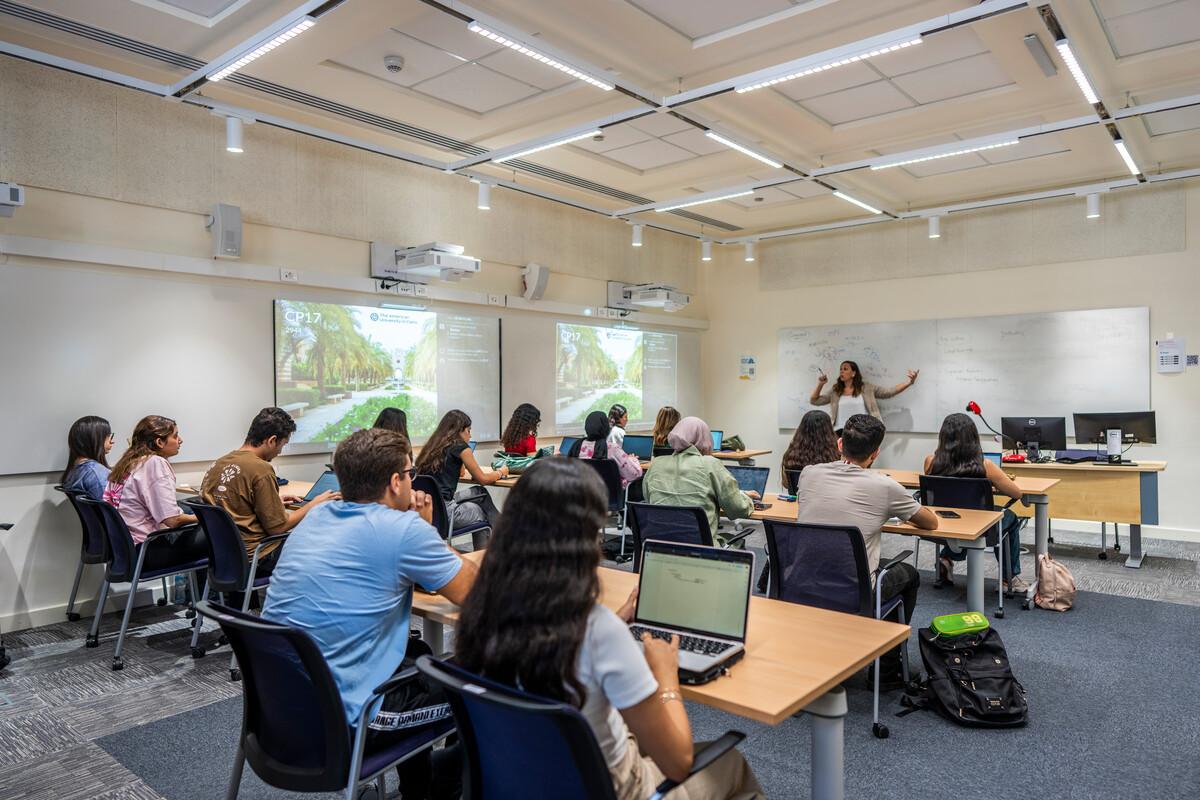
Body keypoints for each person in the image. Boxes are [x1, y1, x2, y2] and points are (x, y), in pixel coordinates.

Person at [455, 458, 764, 800]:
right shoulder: (598, 631)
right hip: (615, 789)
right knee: (732, 765)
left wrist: (615, 621)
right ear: (585, 542)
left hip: (523, 780)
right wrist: (665, 677)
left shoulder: (483, 610)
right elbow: (678, 763)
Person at [263, 427, 474, 800]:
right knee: (483, 688)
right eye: (409, 474)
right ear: (395, 482)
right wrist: (426, 531)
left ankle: (421, 789)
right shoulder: (404, 530)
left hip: (279, 713)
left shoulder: (317, 516)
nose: (412, 481)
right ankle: (447, 786)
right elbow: (475, 592)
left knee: (417, 655)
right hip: (348, 723)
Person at [796, 414, 937, 687]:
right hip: (853, 591)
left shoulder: (809, 473)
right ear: (875, 454)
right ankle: (887, 672)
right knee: (909, 575)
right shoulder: (885, 486)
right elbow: (930, 523)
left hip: (801, 584)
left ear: (840, 444)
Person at [200, 407, 338, 601]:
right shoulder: (261, 468)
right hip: (257, 556)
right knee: (321, 546)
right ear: (272, 440)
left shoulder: (219, 463)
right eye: (282, 445)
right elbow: (278, 528)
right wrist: (313, 504)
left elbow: (231, 506)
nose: (280, 452)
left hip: (225, 557)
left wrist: (273, 501)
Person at [925, 412, 1029, 592]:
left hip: (941, 523)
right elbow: (1016, 493)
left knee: (961, 518)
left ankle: (946, 558)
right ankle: (1008, 579)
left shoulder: (930, 462)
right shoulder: (985, 465)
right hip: (978, 527)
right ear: (973, 438)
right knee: (1010, 517)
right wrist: (993, 482)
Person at [103, 415, 207, 569]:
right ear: (159, 442)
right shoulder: (155, 463)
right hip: (149, 551)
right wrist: (202, 517)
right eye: (175, 436)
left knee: (196, 508)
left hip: (126, 551)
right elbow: (172, 520)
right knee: (221, 527)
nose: (180, 440)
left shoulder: (127, 463)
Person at [642, 417, 758, 541]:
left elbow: (649, 499)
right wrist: (747, 500)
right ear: (705, 438)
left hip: (657, 546)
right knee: (735, 541)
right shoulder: (711, 464)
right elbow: (737, 509)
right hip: (699, 548)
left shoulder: (656, 464)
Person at [414, 410, 506, 548]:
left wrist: (461, 460)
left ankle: (502, 530)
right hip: (446, 512)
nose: (470, 435)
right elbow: (483, 479)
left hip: (428, 508)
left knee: (479, 492)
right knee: (479, 511)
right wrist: (500, 472)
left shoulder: (431, 447)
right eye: (468, 430)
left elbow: (461, 473)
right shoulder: (461, 447)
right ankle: (489, 549)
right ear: (459, 431)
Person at [810, 360, 920, 432]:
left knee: (861, 460)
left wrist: (909, 382)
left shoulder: (867, 388)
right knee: (841, 460)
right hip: (840, 432)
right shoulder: (836, 390)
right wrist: (820, 384)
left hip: (863, 432)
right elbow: (814, 401)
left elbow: (889, 392)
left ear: (853, 373)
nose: (841, 371)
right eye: (841, 369)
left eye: (845, 369)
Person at [567, 411, 642, 487]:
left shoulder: (577, 446)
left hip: (579, 492)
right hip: (606, 493)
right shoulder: (612, 448)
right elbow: (634, 474)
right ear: (605, 427)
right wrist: (633, 460)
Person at [780, 410, 840, 493]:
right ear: (829, 430)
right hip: (829, 499)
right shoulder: (837, 455)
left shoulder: (791, 454)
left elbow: (786, 484)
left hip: (800, 500)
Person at [61, 415, 114, 500]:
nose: (112, 441)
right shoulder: (95, 473)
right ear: (95, 439)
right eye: (109, 436)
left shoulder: (74, 469)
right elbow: (110, 506)